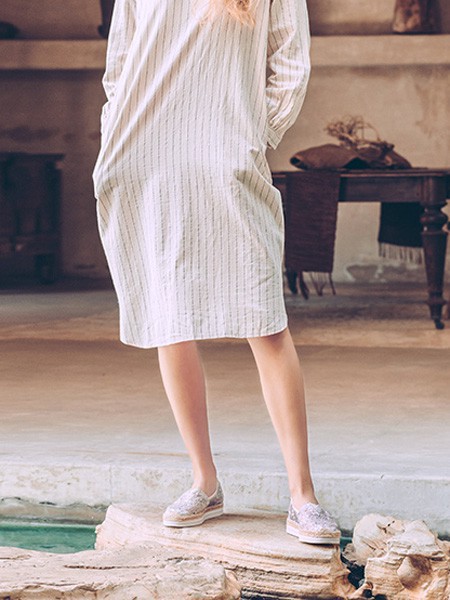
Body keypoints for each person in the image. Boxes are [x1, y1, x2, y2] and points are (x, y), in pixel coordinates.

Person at [92, 0, 341, 544]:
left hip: (226, 155)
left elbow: (291, 62)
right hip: (145, 155)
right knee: (170, 318)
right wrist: (114, 133)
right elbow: (121, 64)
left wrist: (249, 137)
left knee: (264, 319)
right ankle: (204, 482)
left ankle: (303, 496)